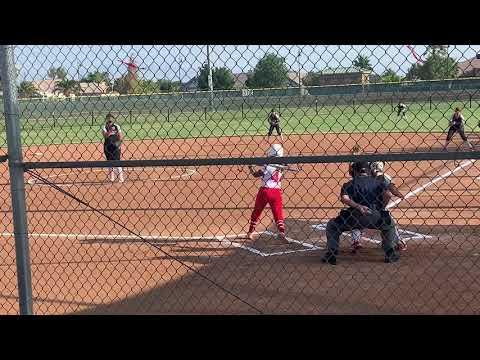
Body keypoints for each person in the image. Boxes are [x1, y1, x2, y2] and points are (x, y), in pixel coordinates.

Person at [322, 161, 402, 265]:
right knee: (389, 225)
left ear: (355, 171)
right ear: (369, 171)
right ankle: (390, 253)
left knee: (332, 225)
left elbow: (344, 198)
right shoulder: (378, 182)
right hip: (375, 216)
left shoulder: (350, 184)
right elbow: (388, 194)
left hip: (354, 216)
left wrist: (358, 206)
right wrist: (382, 206)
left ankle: (331, 254)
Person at [246, 144, 297, 241]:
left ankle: (250, 232)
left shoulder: (267, 164)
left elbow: (255, 175)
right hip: (276, 192)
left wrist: (250, 167)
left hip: (264, 190)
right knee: (278, 213)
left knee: (257, 211)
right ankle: (282, 232)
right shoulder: (282, 165)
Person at [370, 161, 407, 251]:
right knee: (389, 223)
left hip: (363, 207)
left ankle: (356, 240)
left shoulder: (366, 177)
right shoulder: (384, 177)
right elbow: (391, 190)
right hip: (378, 208)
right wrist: (400, 195)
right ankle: (398, 242)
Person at [348, 145, 365, 253]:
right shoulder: (365, 164)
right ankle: (398, 241)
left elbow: (350, 171)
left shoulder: (350, 183)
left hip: (356, 194)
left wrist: (351, 161)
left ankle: (356, 240)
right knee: (385, 215)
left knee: (354, 215)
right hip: (369, 195)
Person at [102, 113, 125, 183]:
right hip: (108, 145)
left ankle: (121, 178)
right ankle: (112, 178)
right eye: (108, 118)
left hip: (116, 145)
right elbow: (105, 136)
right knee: (109, 161)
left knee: (117, 161)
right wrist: (110, 131)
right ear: (106, 119)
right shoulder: (104, 127)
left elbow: (120, 136)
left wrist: (119, 143)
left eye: (111, 118)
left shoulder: (117, 126)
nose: (110, 119)